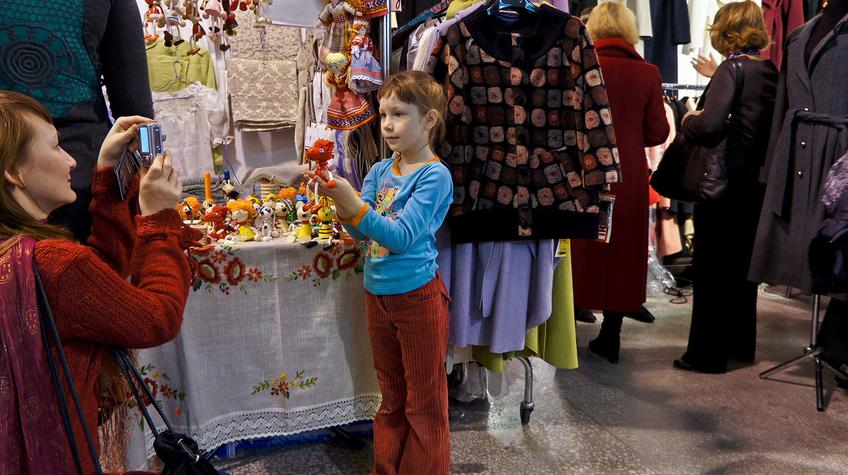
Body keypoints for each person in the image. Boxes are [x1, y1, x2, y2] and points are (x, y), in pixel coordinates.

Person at [0, 90, 199, 473]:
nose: (71, 159)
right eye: (56, 147)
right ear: (13, 172)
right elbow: (158, 317)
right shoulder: (53, 262)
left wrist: (108, 173)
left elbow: (96, 287)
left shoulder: (20, 252)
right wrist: (158, 221)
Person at [310, 70, 453, 475]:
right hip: (377, 294)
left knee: (423, 402)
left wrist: (351, 201)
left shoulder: (434, 176)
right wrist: (342, 199)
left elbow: (403, 236)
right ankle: (387, 467)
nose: (387, 124)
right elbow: (359, 231)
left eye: (399, 114)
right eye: (383, 114)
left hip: (418, 299)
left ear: (429, 119)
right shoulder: (378, 170)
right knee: (389, 396)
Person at [674, 1, 778, 374]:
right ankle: (740, 346)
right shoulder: (768, 70)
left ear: (726, 29)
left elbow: (710, 126)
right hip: (753, 184)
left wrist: (688, 117)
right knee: (740, 271)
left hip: (720, 185)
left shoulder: (731, 69)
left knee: (712, 270)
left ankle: (705, 354)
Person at [2, 0, 155, 242]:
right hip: (82, 176)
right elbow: (136, 109)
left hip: (13, 173)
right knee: (94, 272)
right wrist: (153, 180)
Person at [570, 2, 670, 364]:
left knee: (581, 247)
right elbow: (658, 131)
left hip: (583, 173)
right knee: (623, 252)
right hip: (626, 176)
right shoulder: (647, 73)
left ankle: (569, 330)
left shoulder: (580, 68)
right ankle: (610, 336)